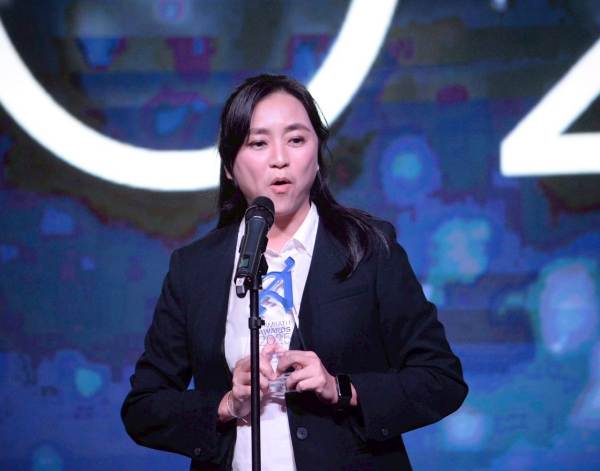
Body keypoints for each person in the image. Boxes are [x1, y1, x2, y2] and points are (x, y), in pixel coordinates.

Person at [121, 74, 468, 471]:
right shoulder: (195, 268)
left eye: (296, 139)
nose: (279, 158)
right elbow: (143, 407)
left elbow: (441, 379)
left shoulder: (369, 249)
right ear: (230, 165)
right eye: (258, 143)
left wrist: (341, 388)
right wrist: (227, 404)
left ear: (317, 154)